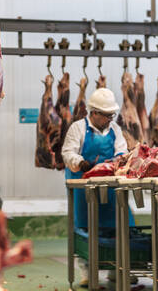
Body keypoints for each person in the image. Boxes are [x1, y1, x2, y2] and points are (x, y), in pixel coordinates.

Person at [62, 88, 136, 287]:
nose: (110, 119)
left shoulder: (115, 130)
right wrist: (81, 162)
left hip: (111, 187)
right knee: (85, 229)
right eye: (106, 115)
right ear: (94, 113)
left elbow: (120, 151)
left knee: (118, 227)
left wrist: (121, 161)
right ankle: (87, 272)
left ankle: (116, 269)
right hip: (83, 188)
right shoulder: (78, 128)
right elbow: (68, 152)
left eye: (112, 115)